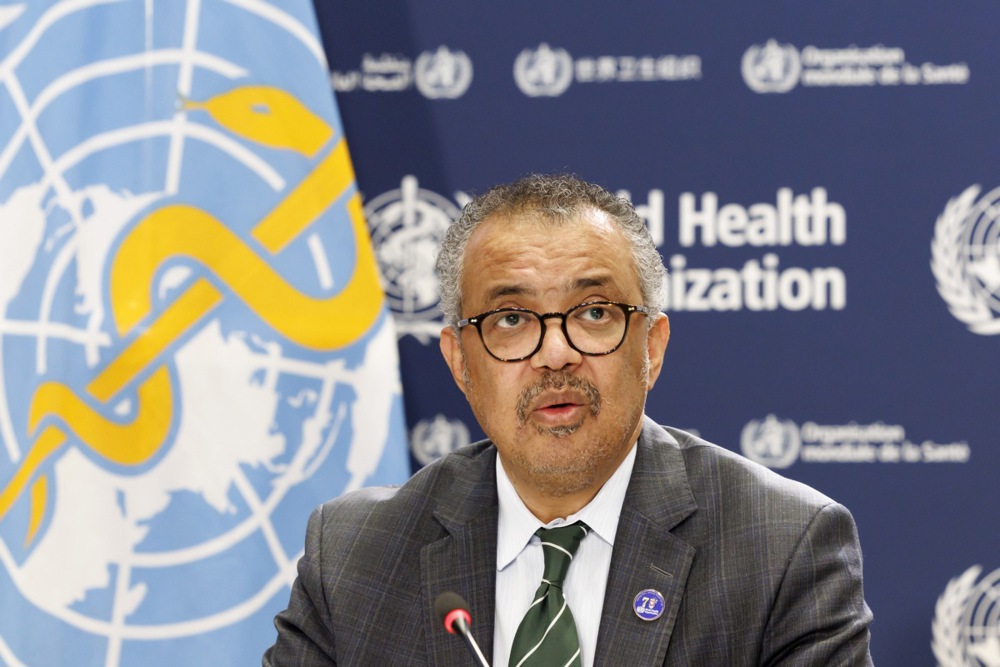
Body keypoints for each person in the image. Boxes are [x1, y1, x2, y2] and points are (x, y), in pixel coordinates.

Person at [263, 173, 873, 666]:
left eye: (594, 312)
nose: (555, 353)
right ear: (459, 363)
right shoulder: (355, 556)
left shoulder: (779, 547)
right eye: (510, 319)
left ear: (652, 346)